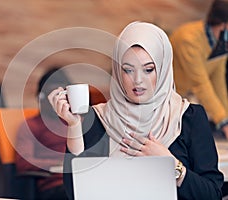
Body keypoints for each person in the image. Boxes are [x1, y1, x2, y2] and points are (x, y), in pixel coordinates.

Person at [48, 21, 224, 200]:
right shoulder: (100, 119)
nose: (138, 80)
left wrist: (171, 165)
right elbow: (76, 194)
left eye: (148, 70)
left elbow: (212, 194)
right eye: (128, 70)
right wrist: (74, 126)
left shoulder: (188, 117)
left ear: (163, 69)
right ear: (117, 71)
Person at [170, 0, 228, 138]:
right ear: (223, 25)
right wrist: (224, 122)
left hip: (183, 98)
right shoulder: (189, 40)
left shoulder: (220, 44)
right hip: (168, 99)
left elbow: (218, 81)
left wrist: (226, 116)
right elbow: (200, 84)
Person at [15, 67, 71, 200]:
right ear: (40, 97)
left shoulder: (74, 123)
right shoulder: (30, 126)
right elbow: (23, 164)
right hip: (54, 185)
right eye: (49, 96)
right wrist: (58, 162)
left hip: (80, 180)